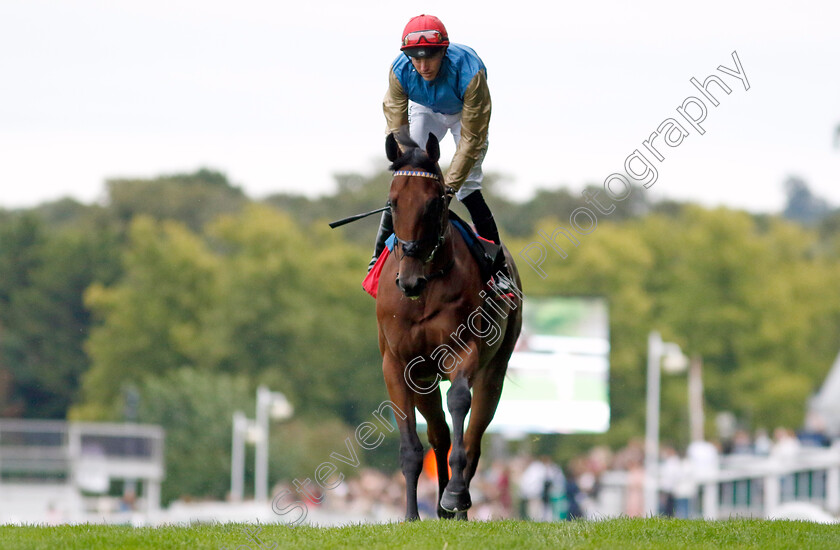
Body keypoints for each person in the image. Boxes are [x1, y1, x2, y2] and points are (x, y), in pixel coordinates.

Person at [371, 14, 512, 292]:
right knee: (407, 183)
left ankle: (500, 270)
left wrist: (447, 188)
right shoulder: (399, 71)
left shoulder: (471, 73)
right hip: (425, 108)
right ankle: (377, 259)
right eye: (416, 58)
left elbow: (471, 139)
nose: (423, 66)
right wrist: (408, 170)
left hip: (465, 115)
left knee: (468, 188)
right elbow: (397, 126)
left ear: (444, 52)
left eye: (430, 58)